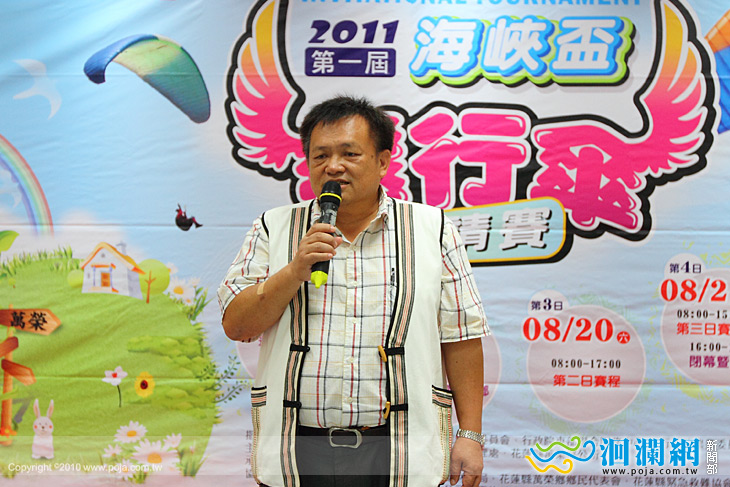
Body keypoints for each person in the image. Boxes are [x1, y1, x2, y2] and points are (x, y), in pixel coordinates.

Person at [218, 95, 489, 487]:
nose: (333, 166)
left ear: (383, 161)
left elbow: (461, 335)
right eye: (320, 156)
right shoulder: (274, 227)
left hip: (401, 446)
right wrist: (293, 271)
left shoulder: (432, 229)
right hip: (296, 446)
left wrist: (470, 434)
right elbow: (236, 324)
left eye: (349, 153)